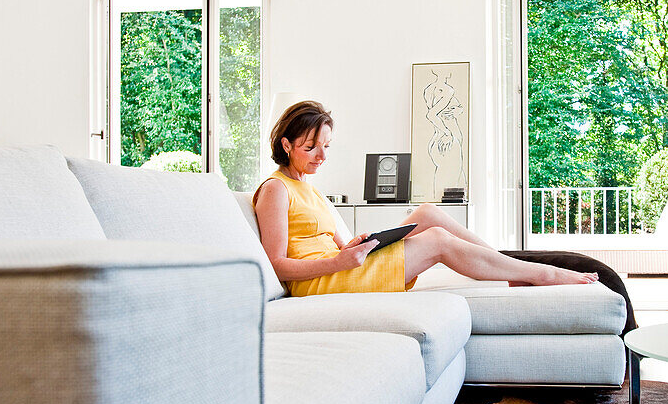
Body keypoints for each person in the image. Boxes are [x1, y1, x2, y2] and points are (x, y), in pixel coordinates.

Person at [252, 100, 598, 296]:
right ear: (286, 144)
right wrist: (339, 263)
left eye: (325, 147)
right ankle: (541, 274)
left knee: (428, 213)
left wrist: (353, 246)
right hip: (322, 282)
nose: (321, 156)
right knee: (435, 240)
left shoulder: (308, 188)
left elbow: (331, 244)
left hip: (338, 266)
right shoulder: (275, 190)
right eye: (311, 147)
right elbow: (277, 264)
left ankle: (508, 267)